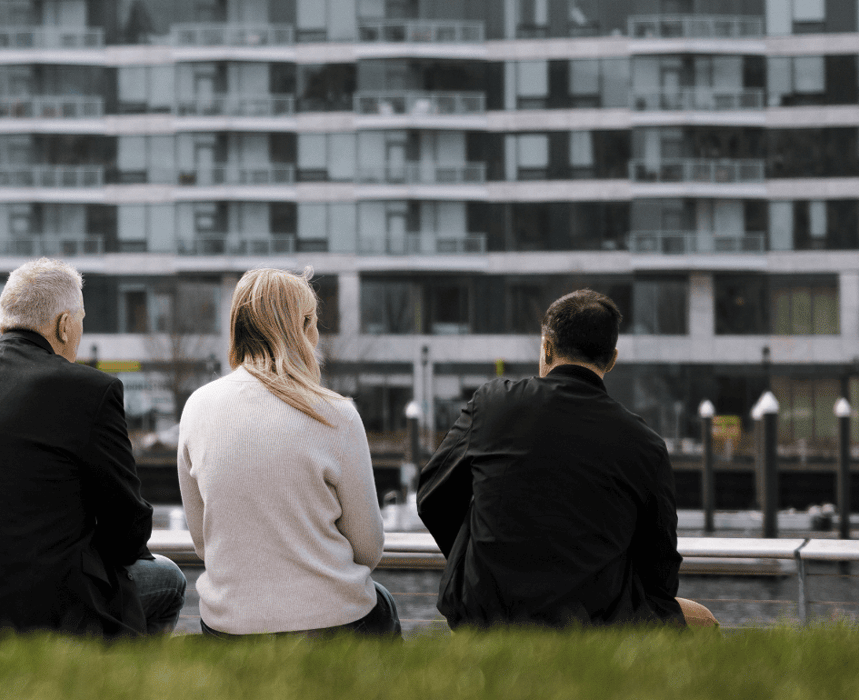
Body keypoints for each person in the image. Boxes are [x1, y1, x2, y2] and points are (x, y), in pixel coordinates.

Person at [0, 258, 185, 641]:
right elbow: (128, 529)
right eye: (81, 319)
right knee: (169, 580)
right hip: (34, 610)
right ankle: (116, 694)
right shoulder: (90, 390)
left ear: (2, 322)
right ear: (64, 325)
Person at [418, 289, 711, 629]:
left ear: (547, 347)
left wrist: (478, 562)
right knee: (703, 622)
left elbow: (432, 497)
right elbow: (660, 566)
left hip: (487, 615)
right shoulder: (645, 444)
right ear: (612, 359)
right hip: (593, 624)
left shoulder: (492, 404)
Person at [178, 268, 399, 639]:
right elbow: (368, 548)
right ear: (303, 327)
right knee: (383, 604)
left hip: (228, 625)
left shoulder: (197, 407)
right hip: (333, 623)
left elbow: (203, 540)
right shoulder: (336, 413)